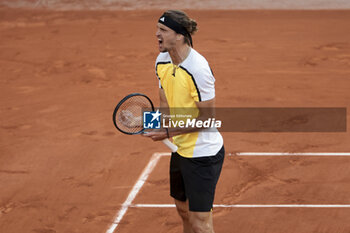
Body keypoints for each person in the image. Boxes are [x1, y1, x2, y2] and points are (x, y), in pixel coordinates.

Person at [143, 10, 224, 233]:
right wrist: (154, 123)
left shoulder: (198, 69)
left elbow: (207, 119)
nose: (157, 34)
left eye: (163, 30)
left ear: (179, 36)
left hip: (203, 154)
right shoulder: (162, 61)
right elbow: (164, 99)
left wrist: (167, 133)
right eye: (157, 29)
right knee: (183, 210)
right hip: (181, 150)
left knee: (200, 223)